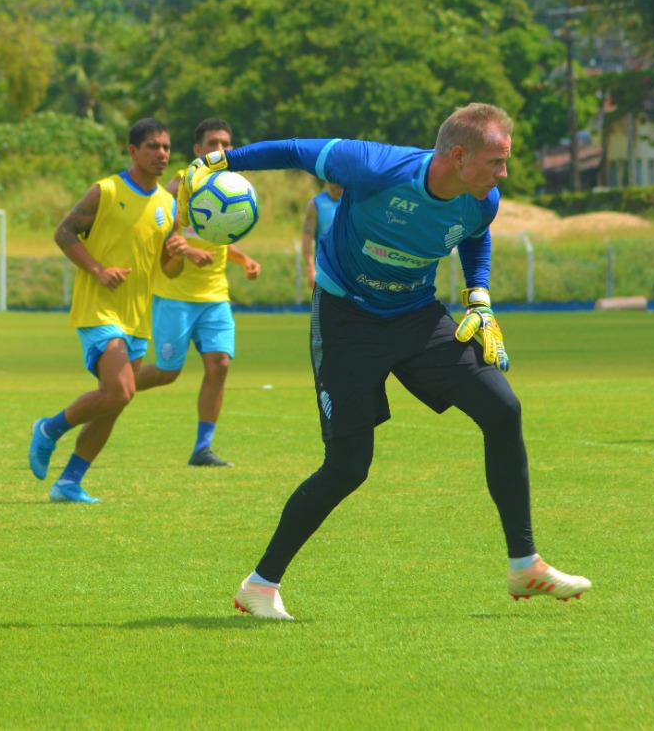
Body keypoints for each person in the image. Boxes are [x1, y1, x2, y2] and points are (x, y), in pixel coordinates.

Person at [178, 103, 591, 620]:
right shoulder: (375, 166)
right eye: (496, 161)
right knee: (348, 467)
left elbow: (475, 236)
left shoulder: (481, 199)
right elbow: (296, 150)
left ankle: (524, 563)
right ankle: (260, 585)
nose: (503, 173)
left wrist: (479, 296)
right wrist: (223, 161)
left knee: (502, 408)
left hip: (418, 317)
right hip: (346, 320)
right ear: (459, 155)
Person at [27, 118, 184, 503]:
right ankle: (48, 429)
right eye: (152, 147)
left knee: (115, 402)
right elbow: (63, 233)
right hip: (99, 309)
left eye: (165, 147)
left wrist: (179, 255)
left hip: (137, 317)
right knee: (120, 390)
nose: (161, 154)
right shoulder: (106, 191)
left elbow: (169, 268)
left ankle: (68, 483)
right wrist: (98, 269)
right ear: (133, 151)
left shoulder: (168, 203)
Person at [138, 118, 262, 467]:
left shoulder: (235, 185)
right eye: (212, 143)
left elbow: (219, 237)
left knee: (220, 364)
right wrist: (185, 250)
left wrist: (243, 259)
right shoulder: (182, 183)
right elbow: (160, 230)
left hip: (215, 295)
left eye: (226, 143)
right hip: (174, 294)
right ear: (197, 150)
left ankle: (202, 447)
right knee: (166, 372)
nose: (219, 150)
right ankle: (112, 390)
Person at [301, 183, 343, 291]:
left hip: (348, 270)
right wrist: (310, 269)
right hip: (324, 270)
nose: (337, 182)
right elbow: (307, 237)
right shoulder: (316, 204)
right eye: (334, 178)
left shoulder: (354, 201)